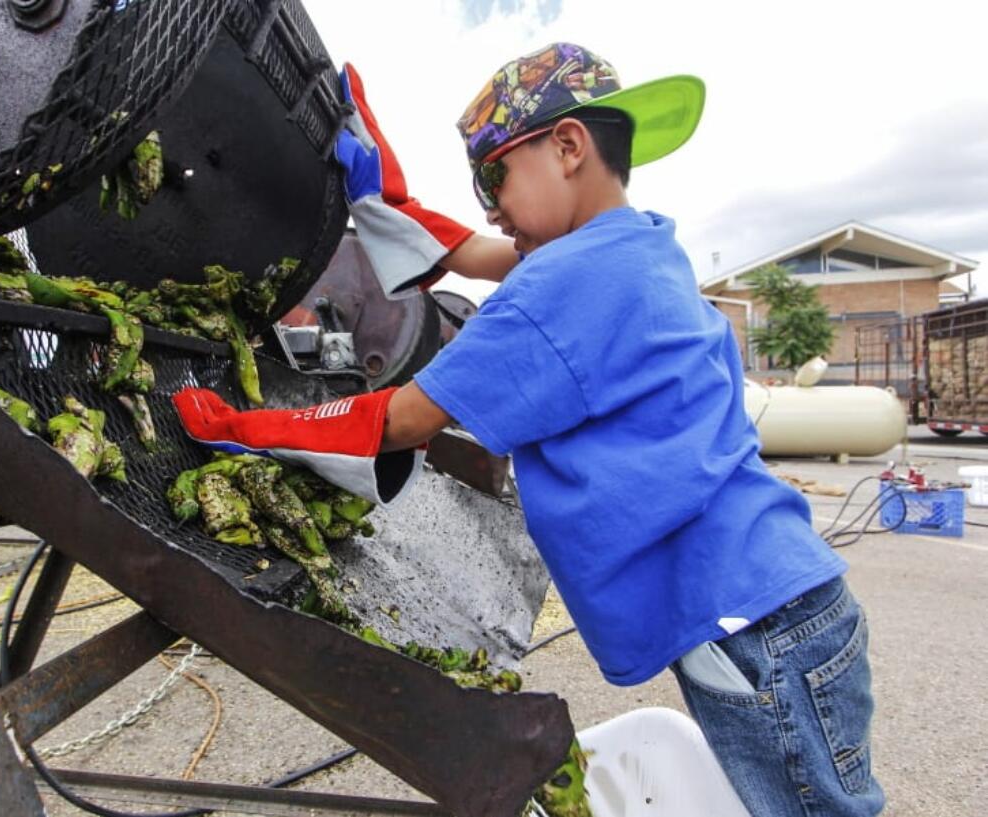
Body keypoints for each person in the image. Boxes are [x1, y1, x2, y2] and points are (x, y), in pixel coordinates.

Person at [174, 43, 884, 817]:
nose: (488, 206)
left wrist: (255, 424)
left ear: (568, 147)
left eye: (493, 176)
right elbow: (483, 255)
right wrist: (384, 201)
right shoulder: (634, 245)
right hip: (784, 608)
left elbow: (406, 418)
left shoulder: (562, 284)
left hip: (758, 630)